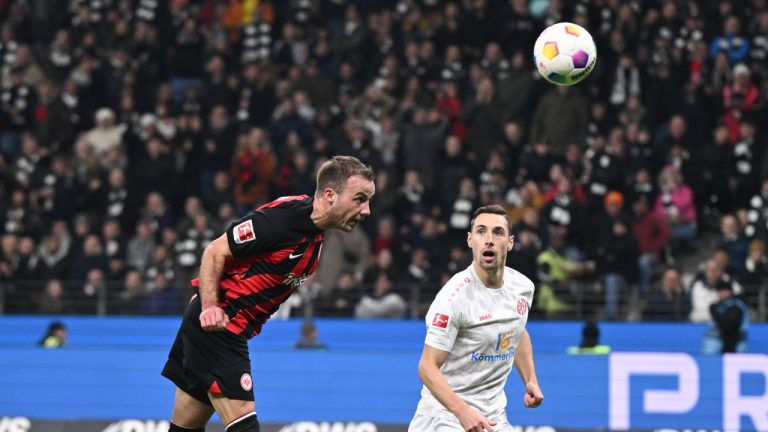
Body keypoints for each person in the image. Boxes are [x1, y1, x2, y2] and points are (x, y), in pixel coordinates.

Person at [161, 156, 375, 432]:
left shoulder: (316, 235)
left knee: (185, 428)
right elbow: (215, 251)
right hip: (220, 327)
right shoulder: (282, 218)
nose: (367, 210)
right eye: (360, 199)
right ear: (330, 195)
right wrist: (210, 307)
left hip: (221, 329)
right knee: (245, 426)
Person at [409, 205, 544, 432]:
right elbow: (427, 367)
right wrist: (463, 412)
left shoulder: (523, 287)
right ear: (470, 240)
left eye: (498, 233)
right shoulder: (453, 298)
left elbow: (517, 332)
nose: (489, 240)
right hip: (444, 417)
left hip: (493, 419)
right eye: (481, 232)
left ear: (510, 242)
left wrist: (530, 380)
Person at [704, 280, 749, 354]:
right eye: (720, 291)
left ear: (730, 292)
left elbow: (728, 326)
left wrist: (715, 313)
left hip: (733, 348)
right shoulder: (721, 306)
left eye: (725, 291)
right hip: (720, 348)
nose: (722, 293)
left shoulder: (735, 306)